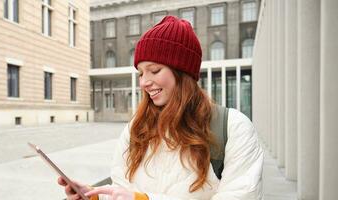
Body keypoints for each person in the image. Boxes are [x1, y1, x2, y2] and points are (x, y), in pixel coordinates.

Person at [58, 15, 264, 200]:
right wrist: (93, 196)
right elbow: (123, 190)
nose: (144, 82)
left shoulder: (233, 128)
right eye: (140, 73)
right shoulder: (135, 129)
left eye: (154, 70)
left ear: (182, 73)